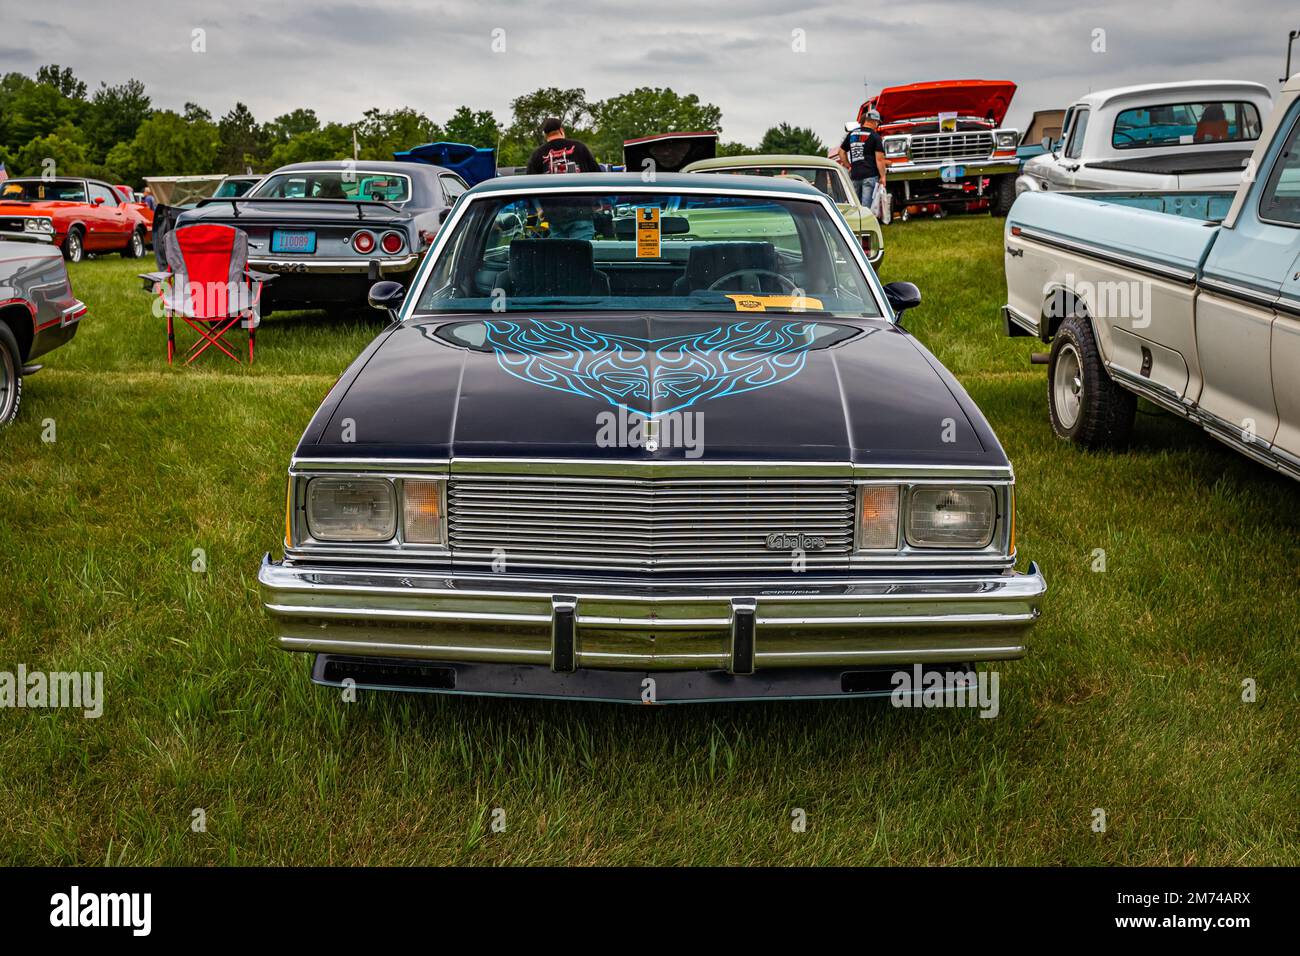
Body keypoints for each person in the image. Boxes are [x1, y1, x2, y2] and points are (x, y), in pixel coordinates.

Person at [526, 117, 601, 239]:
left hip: (554, 217)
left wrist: (539, 209)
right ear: (561, 130)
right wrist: (596, 203)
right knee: (581, 255)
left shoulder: (538, 154)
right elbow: (598, 176)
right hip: (581, 213)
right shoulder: (580, 148)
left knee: (561, 256)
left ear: (546, 135)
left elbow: (528, 186)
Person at [838, 110, 887, 208]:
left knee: (856, 206)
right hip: (870, 175)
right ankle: (865, 223)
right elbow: (879, 160)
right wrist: (883, 176)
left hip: (855, 175)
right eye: (877, 123)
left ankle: (857, 222)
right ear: (874, 121)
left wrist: (849, 166)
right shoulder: (875, 136)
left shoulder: (852, 134)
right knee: (866, 208)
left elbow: (841, 152)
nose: (877, 125)